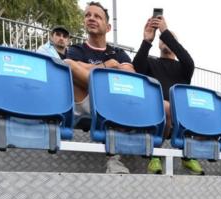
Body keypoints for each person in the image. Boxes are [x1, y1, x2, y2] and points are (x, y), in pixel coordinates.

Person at [64, 2, 135, 174]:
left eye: (97, 16)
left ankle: (114, 159)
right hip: (86, 102)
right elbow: (71, 66)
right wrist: (108, 66)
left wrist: (89, 69)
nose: (91, 19)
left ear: (108, 26)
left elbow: (130, 74)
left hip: (113, 102)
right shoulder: (76, 49)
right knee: (67, 64)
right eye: (88, 15)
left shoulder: (118, 53)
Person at [133, 14, 202, 175]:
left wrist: (164, 31)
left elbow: (188, 60)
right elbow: (136, 66)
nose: (165, 41)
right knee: (166, 107)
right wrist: (147, 40)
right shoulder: (151, 62)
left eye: (169, 39)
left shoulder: (184, 68)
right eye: (162, 39)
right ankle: (155, 153)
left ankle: (188, 155)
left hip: (181, 115)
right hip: (155, 112)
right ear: (158, 44)